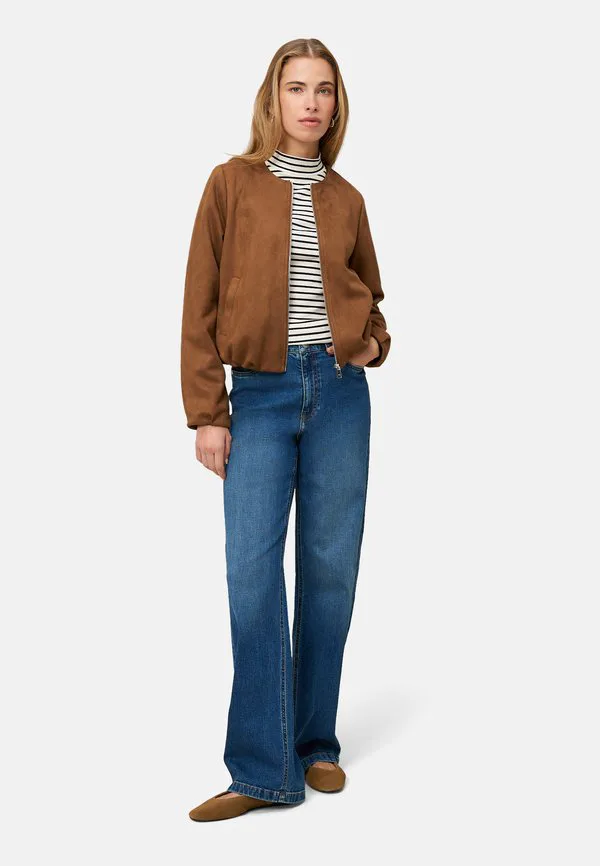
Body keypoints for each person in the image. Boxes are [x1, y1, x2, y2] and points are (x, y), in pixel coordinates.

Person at [181, 37, 391, 822]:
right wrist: (208, 411)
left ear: (337, 105)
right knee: (251, 573)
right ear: (273, 98)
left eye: (324, 89)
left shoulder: (347, 198)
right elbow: (199, 303)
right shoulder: (230, 183)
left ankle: (314, 745)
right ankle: (259, 768)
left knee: (330, 569)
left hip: (338, 394)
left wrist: (370, 344)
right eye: (297, 87)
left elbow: (370, 296)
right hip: (260, 397)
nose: (311, 102)